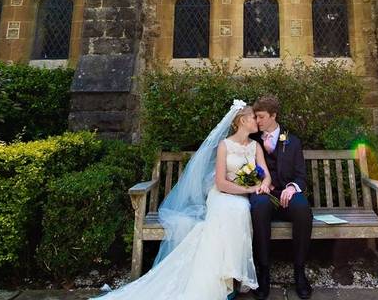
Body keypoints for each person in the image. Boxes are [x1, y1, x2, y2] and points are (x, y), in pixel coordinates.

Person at [98, 100, 272, 300]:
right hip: (222, 195)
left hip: (241, 197)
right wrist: (250, 188)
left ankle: (231, 276)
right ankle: (222, 280)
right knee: (229, 211)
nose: (257, 121)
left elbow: (265, 174)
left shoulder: (255, 146)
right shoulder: (224, 146)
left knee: (240, 211)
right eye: (253, 118)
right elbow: (221, 183)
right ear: (242, 121)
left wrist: (264, 184)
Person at [249, 95, 313, 300]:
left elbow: (301, 175)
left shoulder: (292, 141)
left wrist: (292, 188)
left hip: (287, 193)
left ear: (273, 116)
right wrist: (259, 184)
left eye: (261, 117)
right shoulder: (252, 141)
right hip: (264, 193)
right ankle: (264, 273)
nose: (257, 121)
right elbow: (245, 171)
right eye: (256, 117)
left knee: (303, 209)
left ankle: (299, 272)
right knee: (258, 208)